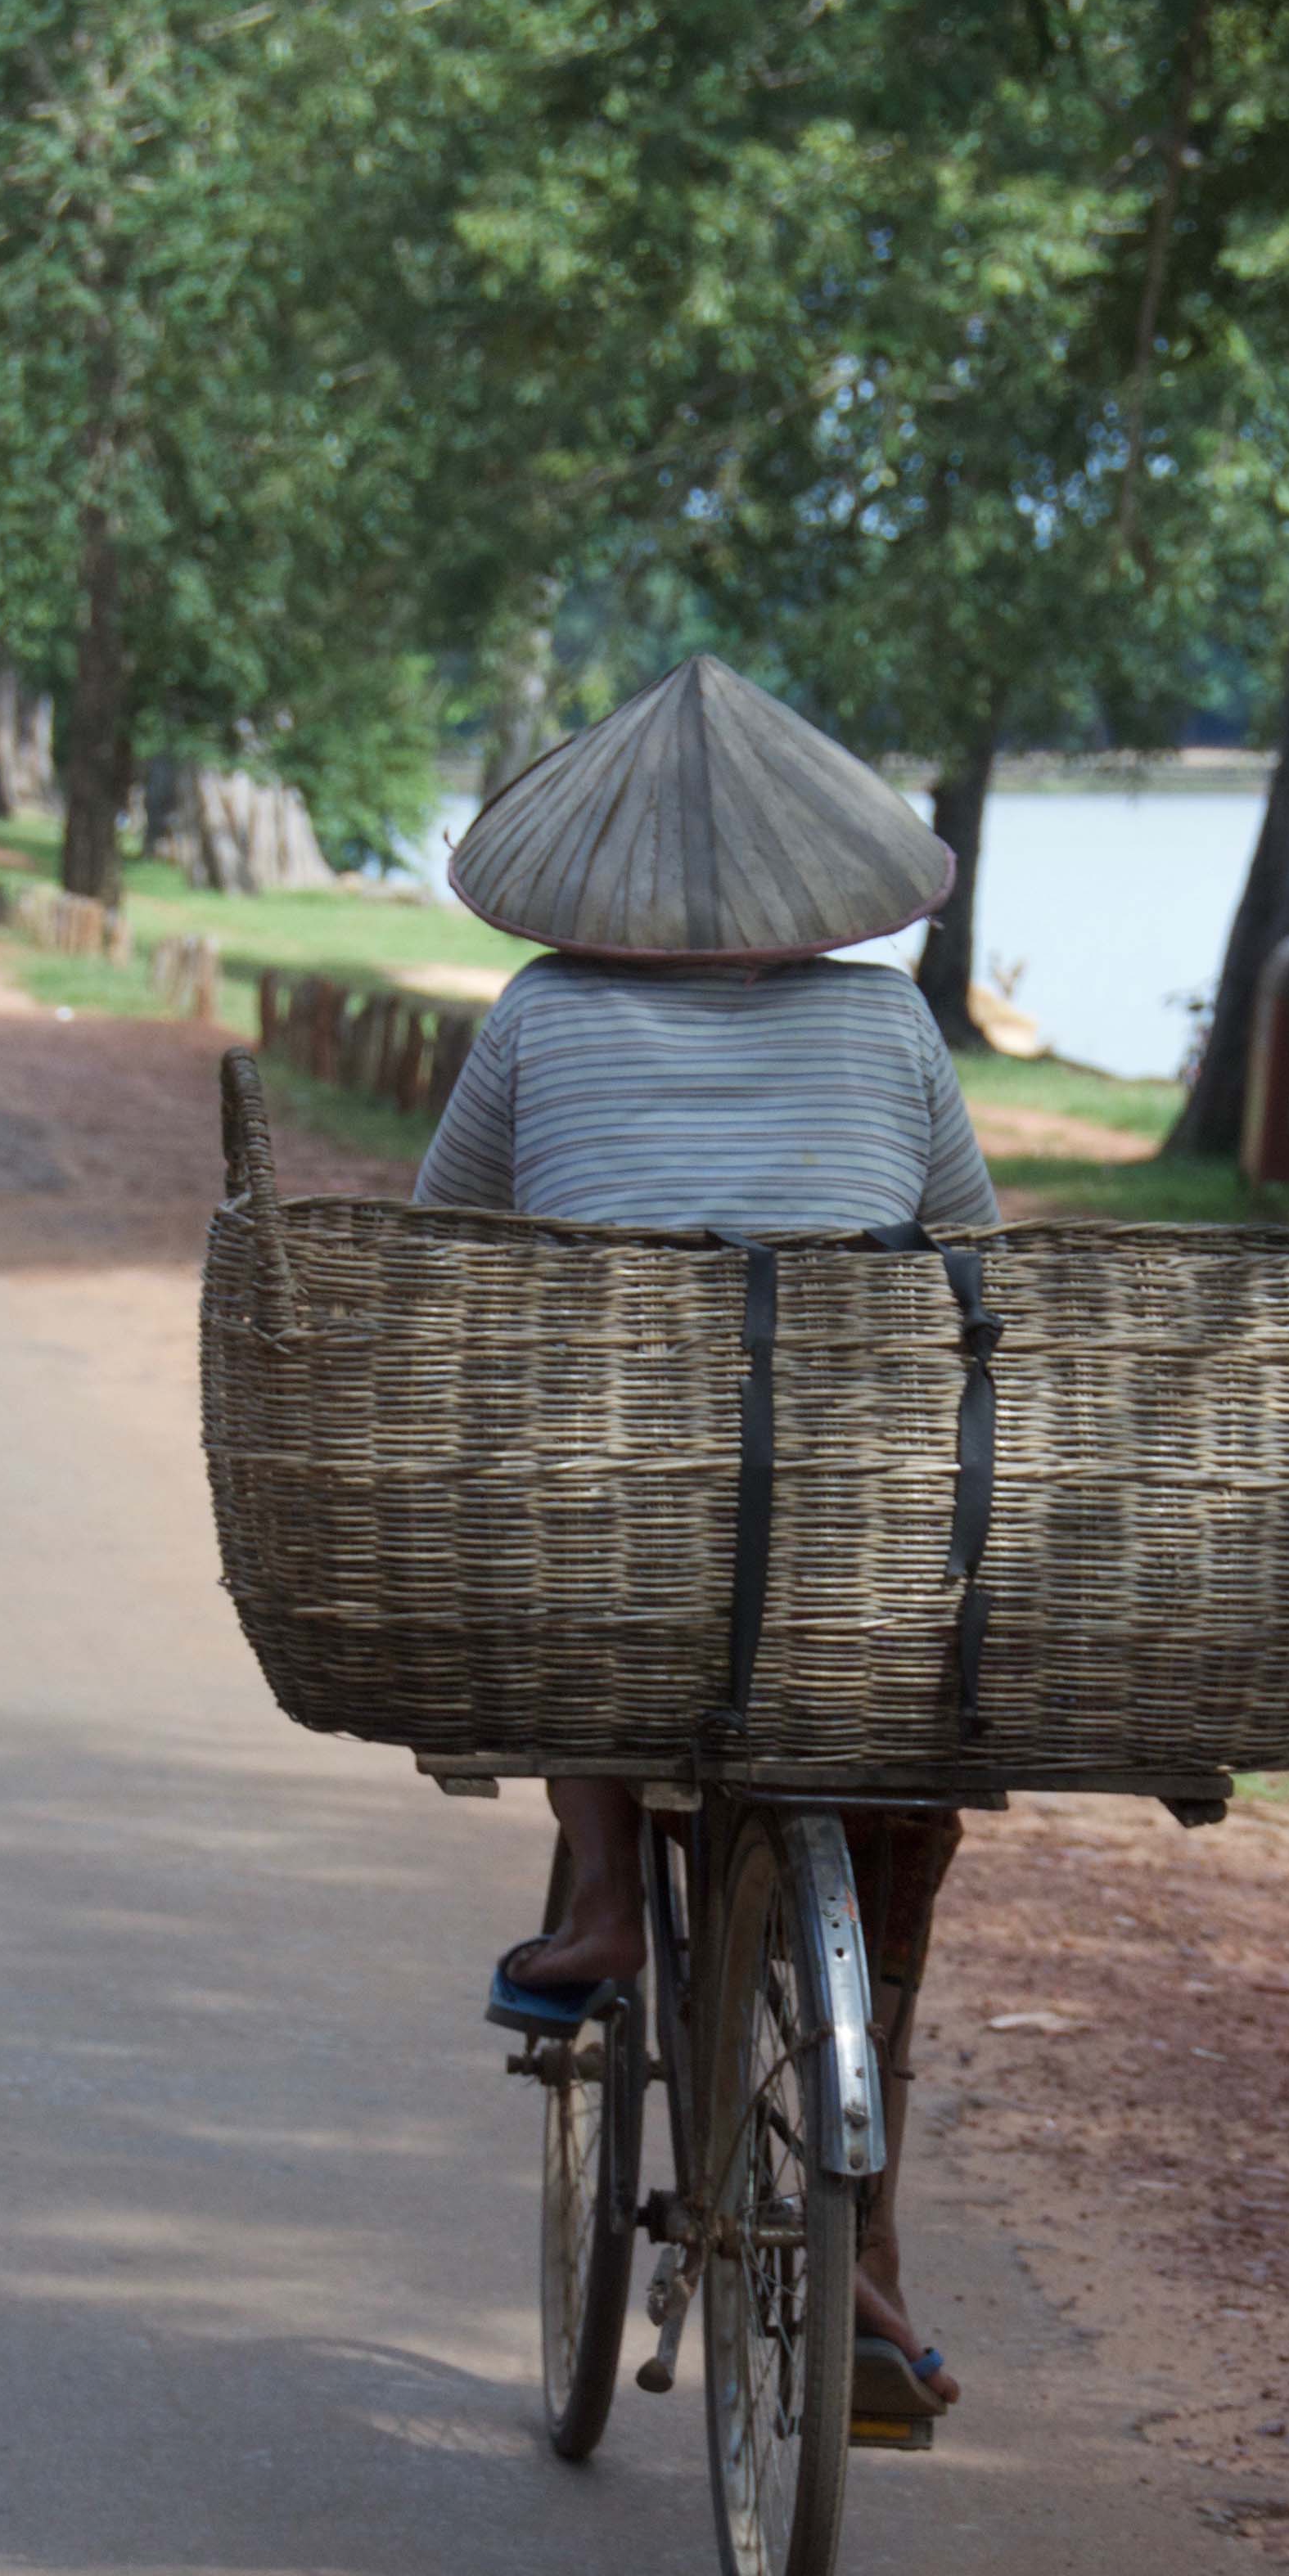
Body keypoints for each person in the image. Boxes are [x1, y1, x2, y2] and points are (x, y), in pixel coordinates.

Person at [412, 655, 998, 2416]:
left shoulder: (537, 1012)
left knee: (579, 1509)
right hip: (847, 1553)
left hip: (627, 1535)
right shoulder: (893, 1024)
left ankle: (601, 1904)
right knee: (896, 1793)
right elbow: (971, 1258)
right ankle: (871, 2250)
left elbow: (454, 1243)